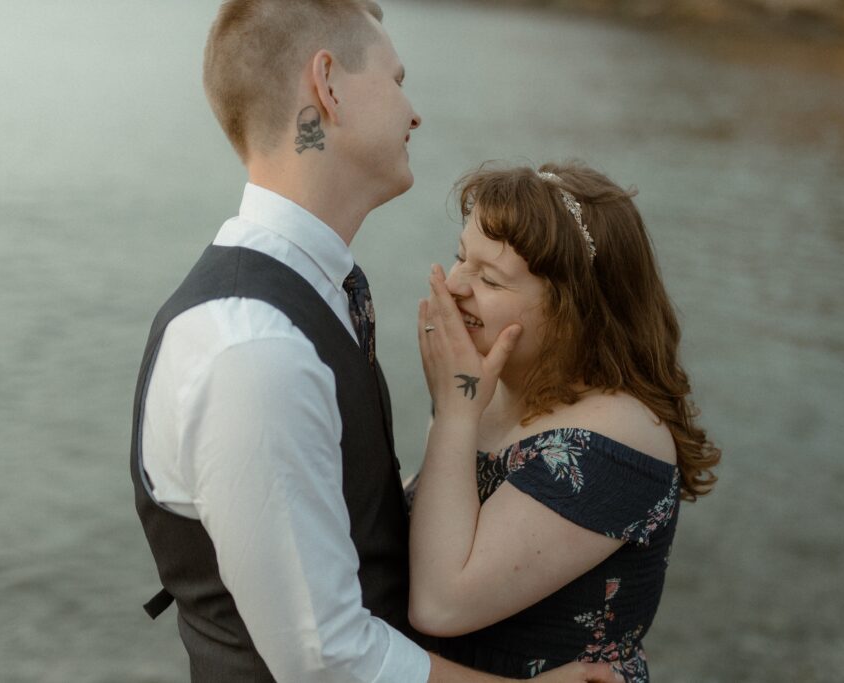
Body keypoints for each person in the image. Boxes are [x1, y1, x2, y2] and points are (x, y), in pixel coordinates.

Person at [129, 1, 619, 681]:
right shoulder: (253, 348)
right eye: (395, 79)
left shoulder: (316, 297)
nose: (414, 111)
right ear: (327, 86)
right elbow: (322, 655)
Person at [409, 162, 721, 681]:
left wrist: (452, 413)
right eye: (462, 257)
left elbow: (441, 604)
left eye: (489, 278)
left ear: (572, 308)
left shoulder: (618, 436)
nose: (456, 285)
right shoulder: (481, 391)